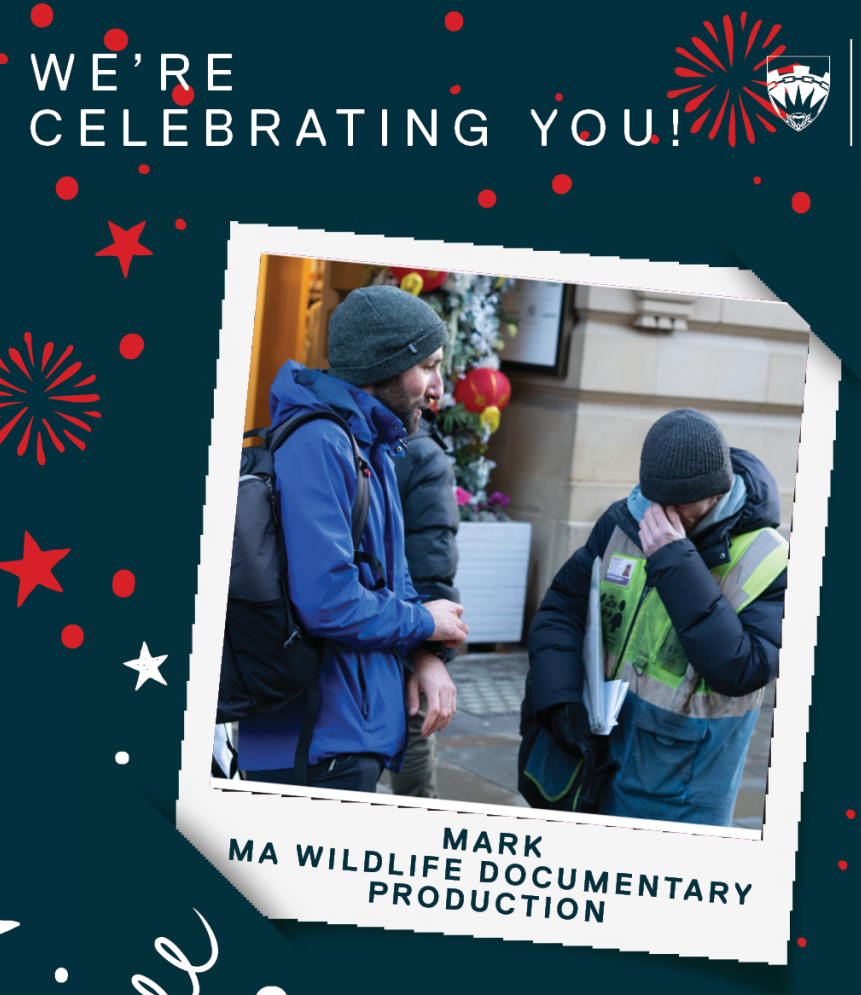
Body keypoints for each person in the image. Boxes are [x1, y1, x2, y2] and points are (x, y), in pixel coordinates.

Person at [238, 286, 468, 792]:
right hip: (315, 739)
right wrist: (424, 622)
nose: (439, 387)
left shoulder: (371, 442)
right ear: (384, 365)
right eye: (427, 366)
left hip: (350, 730)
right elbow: (328, 601)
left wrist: (426, 652)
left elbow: (393, 576)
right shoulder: (322, 442)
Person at [518, 408, 788, 825]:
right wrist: (561, 698)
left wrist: (674, 559)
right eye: (655, 497)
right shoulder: (623, 519)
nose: (662, 513)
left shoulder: (768, 557)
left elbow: (743, 669)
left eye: (681, 504)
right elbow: (561, 608)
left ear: (717, 491)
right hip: (595, 762)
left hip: (681, 790)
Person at [391, 406, 461, 798]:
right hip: (400, 630)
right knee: (415, 721)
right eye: (427, 367)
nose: (436, 387)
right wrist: (429, 651)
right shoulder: (421, 451)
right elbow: (431, 561)